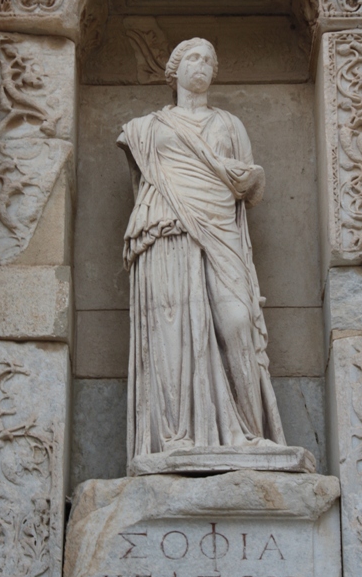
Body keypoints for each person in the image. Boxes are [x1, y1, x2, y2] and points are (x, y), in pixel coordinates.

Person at [117, 38, 287, 475]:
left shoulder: (230, 125)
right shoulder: (145, 128)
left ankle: (249, 434)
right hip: (166, 231)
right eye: (193, 57)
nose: (203, 65)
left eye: (210, 59)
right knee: (172, 332)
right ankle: (176, 438)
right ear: (174, 70)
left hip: (221, 230)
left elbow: (249, 190)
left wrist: (245, 178)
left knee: (236, 321)